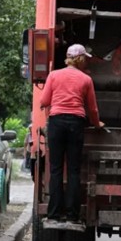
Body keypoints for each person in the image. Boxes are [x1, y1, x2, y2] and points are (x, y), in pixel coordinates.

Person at [39, 44, 103, 223]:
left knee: (56, 169)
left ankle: (53, 214)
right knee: (74, 170)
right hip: (76, 123)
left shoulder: (54, 75)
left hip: (56, 123)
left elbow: (44, 100)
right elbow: (92, 108)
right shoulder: (86, 79)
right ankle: (72, 216)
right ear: (81, 59)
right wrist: (97, 124)